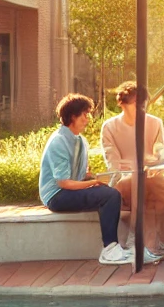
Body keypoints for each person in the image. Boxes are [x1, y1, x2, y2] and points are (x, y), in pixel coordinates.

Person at [39, 94, 130, 265]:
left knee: (111, 193)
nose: (87, 120)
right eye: (84, 115)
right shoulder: (58, 142)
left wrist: (98, 177)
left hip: (69, 190)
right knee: (110, 196)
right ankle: (109, 249)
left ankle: (114, 247)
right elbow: (63, 182)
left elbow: (80, 176)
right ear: (73, 116)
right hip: (56, 195)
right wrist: (94, 183)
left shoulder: (81, 141)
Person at [100, 81, 164, 259]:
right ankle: (149, 245)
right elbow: (114, 165)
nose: (141, 108)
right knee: (139, 183)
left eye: (143, 103)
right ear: (122, 103)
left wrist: (157, 161)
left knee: (145, 186)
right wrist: (139, 165)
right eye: (136, 103)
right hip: (124, 186)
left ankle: (137, 240)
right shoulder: (110, 127)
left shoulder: (155, 123)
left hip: (154, 182)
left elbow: (161, 153)